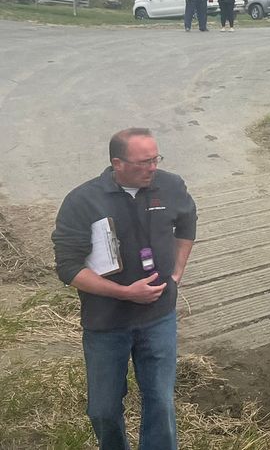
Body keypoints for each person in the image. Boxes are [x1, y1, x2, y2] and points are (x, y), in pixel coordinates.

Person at [51, 128, 198, 450]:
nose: (152, 167)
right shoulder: (83, 201)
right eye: (143, 162)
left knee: (160, 399)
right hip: (106, 322)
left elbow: (187, 222)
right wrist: (125, 293)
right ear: (117, 163)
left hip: (159, 316)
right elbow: (68, 267)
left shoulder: (170, 185)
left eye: (155, 159)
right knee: (103, 409)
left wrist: (177, 271)